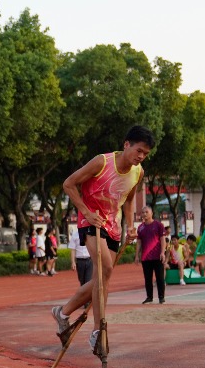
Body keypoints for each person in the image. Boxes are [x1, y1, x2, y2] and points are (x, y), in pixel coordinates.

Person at [52, 126, 155, 350]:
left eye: (145, 154)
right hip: (91, 221)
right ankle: (98, 331)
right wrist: (86, 212)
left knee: (102, 278)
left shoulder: (139, 172)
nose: (141, 157)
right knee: (105, 270)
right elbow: (68, 184)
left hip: (113, 227)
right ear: (126, 144)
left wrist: (130, 225)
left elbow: (128, 200)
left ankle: (62, 312)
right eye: (139, 150)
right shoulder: (102, 162)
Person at [135, 205, 166, 303]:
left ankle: (161, 297)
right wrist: (137, 255)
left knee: (160, 277)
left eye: (146, 212)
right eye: (143, 212)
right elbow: (139, 242)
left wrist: (162, 252)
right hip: (145, 257)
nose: (144, 214)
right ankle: (149, 297)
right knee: (148, 279)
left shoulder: (158, 225)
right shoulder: (140, 228)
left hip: (157, 256)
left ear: (152, 213)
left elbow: (162, 240)